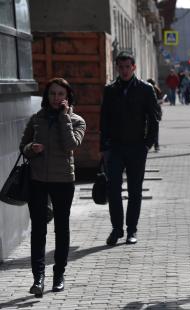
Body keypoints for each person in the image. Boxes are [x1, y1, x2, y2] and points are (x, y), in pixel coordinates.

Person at [20, 77, 86, 297]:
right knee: (38, 229)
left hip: (63, 181)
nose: (56, 98)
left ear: (67, 98)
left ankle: (59, 275)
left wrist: (63, 118)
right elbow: (23, 146)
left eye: (61, 94)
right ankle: (38, 278)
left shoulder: (77, 121)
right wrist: (32, 147)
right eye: (52, 94)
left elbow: (70, 144)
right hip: (38, 180)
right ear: (46, 96)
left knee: (61, 229)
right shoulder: (37, 119)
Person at [100, 51, 159, 246]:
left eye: (128, 67)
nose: (124, 70)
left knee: (135, 191)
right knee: (113, 190)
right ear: (117, 68)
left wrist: (147, 144)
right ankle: (117, 229)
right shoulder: (110, 90)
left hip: (136, 148)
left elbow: (153, 118)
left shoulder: (145, 89)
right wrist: (104, 147)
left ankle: (131, 230)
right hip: (115, 148)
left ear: (134, 67)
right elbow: (104, 120)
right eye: (121, 67)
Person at [147, 78, 163, 151]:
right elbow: (161, 100)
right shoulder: (157, 89)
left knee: (148, 129)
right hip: (157, 111)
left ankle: (149, 144)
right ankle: (156, 145)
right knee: (156, 129)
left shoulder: (147, 89)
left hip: (149, 113)